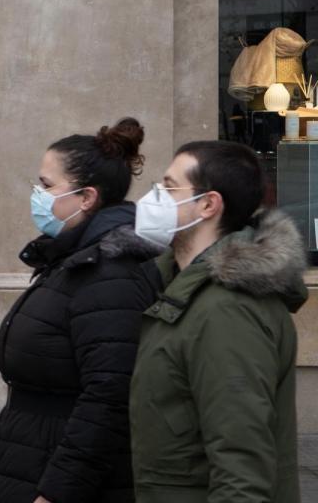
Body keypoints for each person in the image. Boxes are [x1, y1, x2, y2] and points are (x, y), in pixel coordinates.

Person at [0, 118, 160, 503]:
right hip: (33, 455)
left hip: (59, 474)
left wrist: (56, 492)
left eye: (46, 186)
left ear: (87, 197)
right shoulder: (71, 258)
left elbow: (109, 395)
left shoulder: (110, 272)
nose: (36, 194)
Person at [130, 140, 305, 503]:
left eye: (169, 187)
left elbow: (241, 462)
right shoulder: (186, 290)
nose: (155, 198)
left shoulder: (227, 310)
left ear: (208, 204)